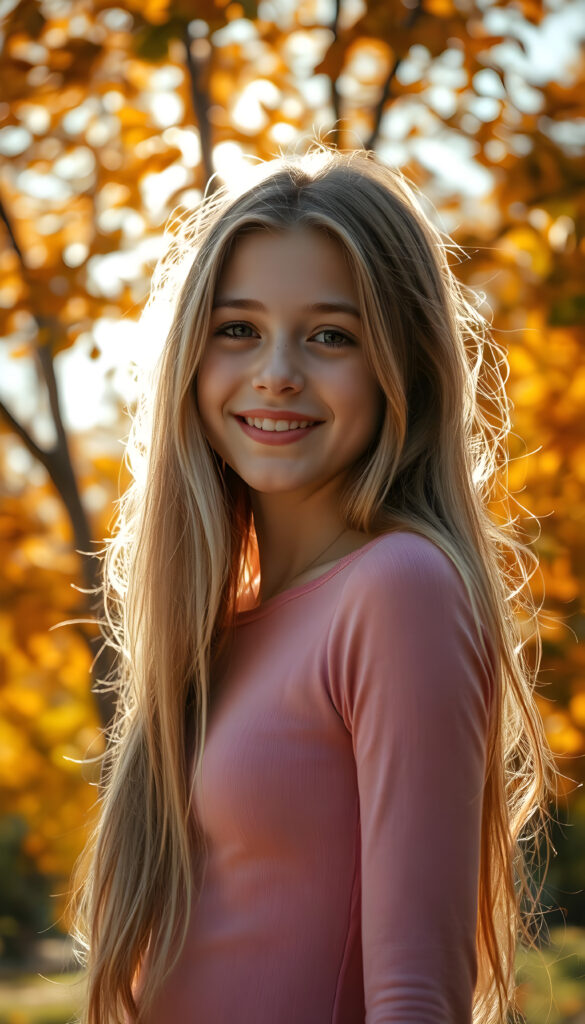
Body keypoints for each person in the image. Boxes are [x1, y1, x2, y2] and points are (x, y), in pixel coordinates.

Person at [71, 146, 559, 1024]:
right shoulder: (216, 622)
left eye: (331, 335)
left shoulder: (398, 590)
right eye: (238, 329)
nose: (277, 373)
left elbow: (415, 998)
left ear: (397, 366)